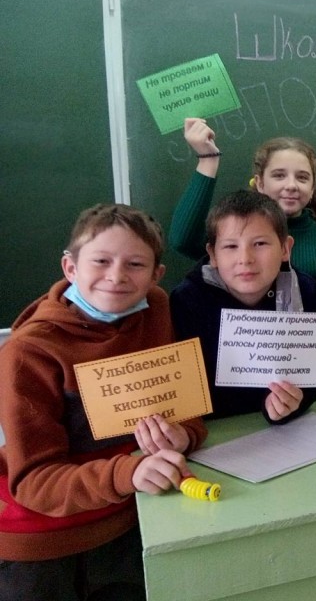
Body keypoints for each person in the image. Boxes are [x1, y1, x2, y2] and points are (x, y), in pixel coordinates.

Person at [0, 204, 207, 601]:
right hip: (43, 545)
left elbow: (184, 408)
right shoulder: (29, 352)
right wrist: (129, 472)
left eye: (135, 264)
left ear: (156, 275)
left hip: (131, 519)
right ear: (70, 267)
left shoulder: (156, 309)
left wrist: (184, 435)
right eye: (101, 261)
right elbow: (33, 481)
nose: (116, 276)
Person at [170, 190, 316, 423]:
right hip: (215, 430)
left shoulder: (304, 291)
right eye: (231, 246)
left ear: (285, 248)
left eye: (260, 243)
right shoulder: (188, 300)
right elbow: (187, 392)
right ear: (212, 254)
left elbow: (312, 379)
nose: (245, 259)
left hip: (281, 432)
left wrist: (290, 404)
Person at [169, 118, 316, 289]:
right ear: (260, 183)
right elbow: (183, 241)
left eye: (302, 177)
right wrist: (208, 159)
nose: (291, 185)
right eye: (279, 175)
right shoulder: (232, 235)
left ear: (312, 188)